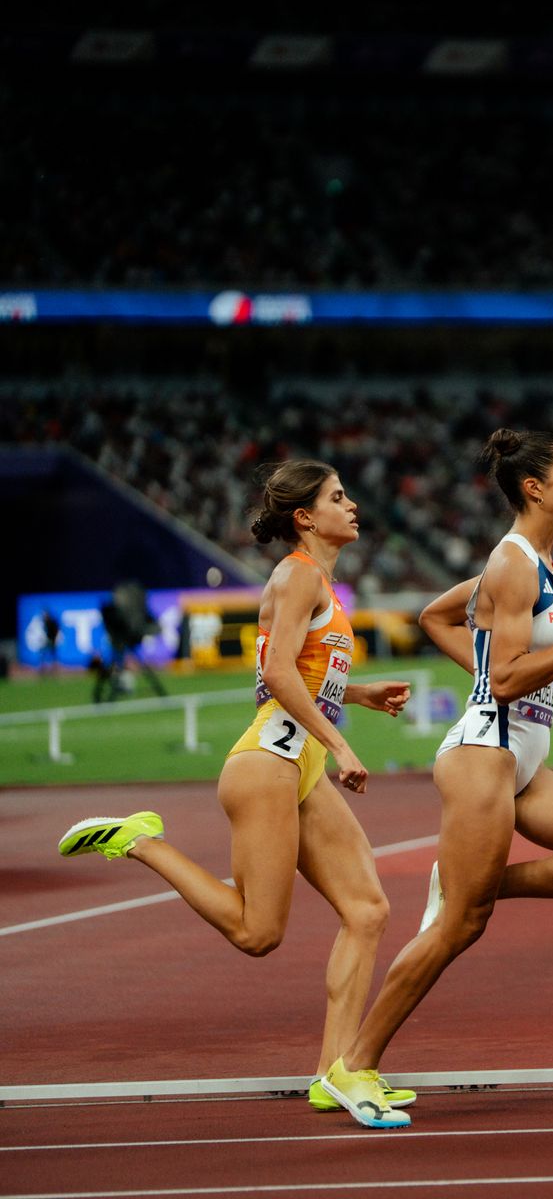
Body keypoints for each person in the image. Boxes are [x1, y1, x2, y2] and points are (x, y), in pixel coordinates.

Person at [57, 460, 413, 1114]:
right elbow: (277, 678)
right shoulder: (297, 575)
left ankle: (338, 1071)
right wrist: (340, 744)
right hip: (267, 769)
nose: (354, 504)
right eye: (339, 497)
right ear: (306, 517)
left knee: (367, 911)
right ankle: (142, 842)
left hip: (294, 767)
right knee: (258, 933)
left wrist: (359, 695)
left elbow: (291, 675)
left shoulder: (321, 583)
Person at [322, 429, 553, 1129]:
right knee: (456, 930)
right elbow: (501, 682)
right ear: (535, 487)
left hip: (522, 760)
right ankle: (354, 1067)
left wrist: (495, 666)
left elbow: (438, 619)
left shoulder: (536, 564)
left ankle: (474, 878)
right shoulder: (513, 565)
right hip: (485, 755)